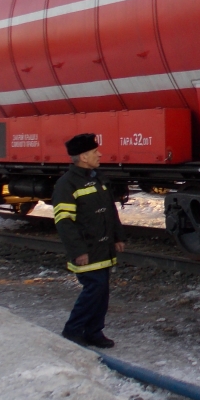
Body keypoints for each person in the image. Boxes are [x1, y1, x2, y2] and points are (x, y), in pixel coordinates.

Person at [53, 133, 124, 349]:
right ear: (83, 157)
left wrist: (118, 237)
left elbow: (110, 211)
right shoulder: (67, 184)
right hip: (87, 250)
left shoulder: (96, 178)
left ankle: (94, 332)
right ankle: (73, 330)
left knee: (101, 291)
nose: (99, 154)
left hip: (102, 249)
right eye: (95, 152)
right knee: (94, 289)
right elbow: (64, 221)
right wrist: (78, 251)